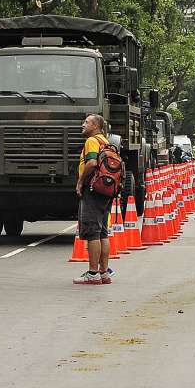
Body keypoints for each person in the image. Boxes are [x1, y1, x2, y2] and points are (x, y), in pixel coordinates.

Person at [73, 114, 113, 285]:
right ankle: (104, 273)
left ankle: (92, 273)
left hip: (93, 189)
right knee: (103, 232)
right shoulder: (106, 141)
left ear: (96, 125)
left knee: (92, 232)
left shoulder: (92, 141)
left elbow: (91, 163)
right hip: (106, 190)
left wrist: (80, 182)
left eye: (86, 122)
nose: (83, 125)